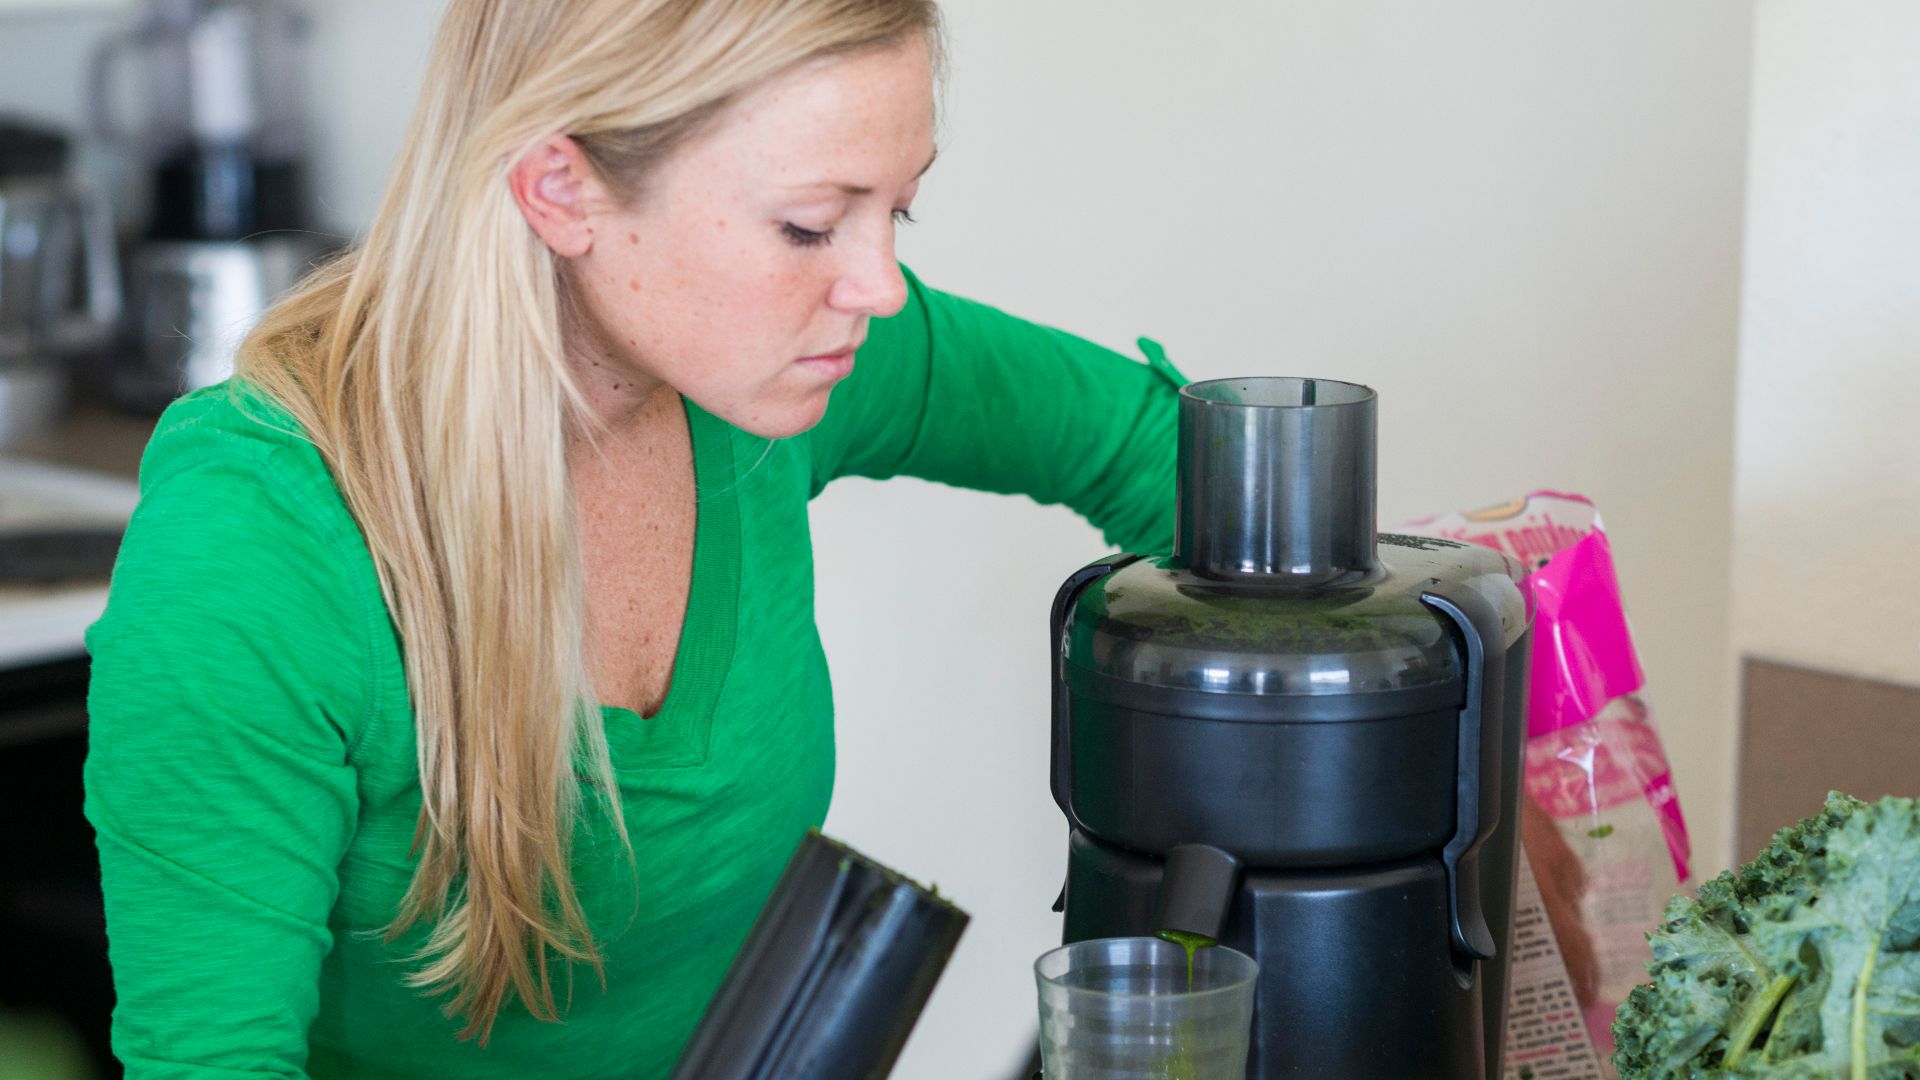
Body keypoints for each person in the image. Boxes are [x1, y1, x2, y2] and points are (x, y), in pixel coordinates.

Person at [83, 0, 1182, 1076]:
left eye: (901, 210)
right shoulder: (259, 542)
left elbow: (1158, 447)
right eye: (809, 223)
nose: (879, 286)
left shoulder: (776, 365)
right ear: (560, 188)